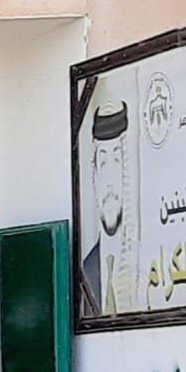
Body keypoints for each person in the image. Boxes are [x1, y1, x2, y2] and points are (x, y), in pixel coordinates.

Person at [83, 98, 131, 314]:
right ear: (94, 175)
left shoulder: (142, 262)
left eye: (117, 161)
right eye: (103, 163)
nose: (110, 181)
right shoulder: (86, 270)